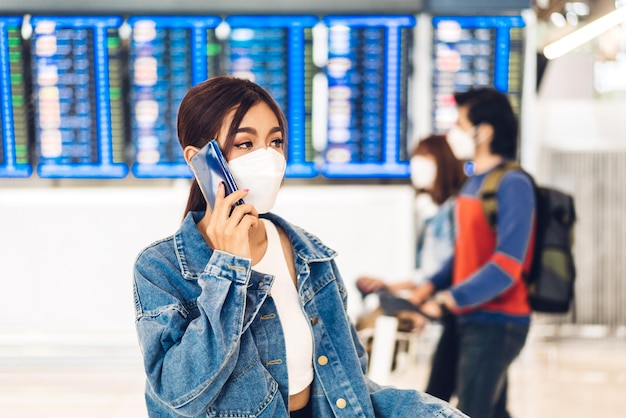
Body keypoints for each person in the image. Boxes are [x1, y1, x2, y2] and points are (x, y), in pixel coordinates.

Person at [132, 75, 468, 418]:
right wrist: (227, 268)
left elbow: (347, 382)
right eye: (245, 144)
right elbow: (180, 393)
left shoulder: (311, 257)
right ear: (200, 161)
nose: (268, 158)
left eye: (275, 142)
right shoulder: (161, 268)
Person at [409, 87, 535, 418]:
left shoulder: (513, 184)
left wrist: (449, 299)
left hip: (497, 321)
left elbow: (507, 266)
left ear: (485, 130)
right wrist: (430, 286)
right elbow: (464, 254)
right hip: (467, 316)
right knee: (467, 405)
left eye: (461, 123)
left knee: (473, 411)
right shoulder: (473, 183)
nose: (455, 131)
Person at [355, 134, 466, 402]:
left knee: (447, 392)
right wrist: (391, 285)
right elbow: (427, 272)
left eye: (425, 157)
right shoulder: (433, 212)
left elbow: (454, 266)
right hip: (434, 299)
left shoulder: (455, 209)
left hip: (448, 306)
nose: (417, 164)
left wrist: (424, 299)